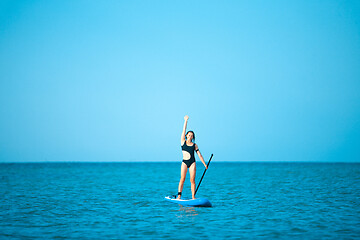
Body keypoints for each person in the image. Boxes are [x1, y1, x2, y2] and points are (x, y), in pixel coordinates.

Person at [177, 115, 207, 199]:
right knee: (182, 179)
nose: (190, 136)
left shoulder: (194, 145)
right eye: (189, 135)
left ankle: (193, 196)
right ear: (186, 135)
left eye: (191, 135)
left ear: (193, 137)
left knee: (192, 180)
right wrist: (186, 121)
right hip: (184, 163)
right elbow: (183, 130)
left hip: (192, 162)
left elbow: (199, 155)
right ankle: (179, 196)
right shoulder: (183, 142)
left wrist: (205, 164)